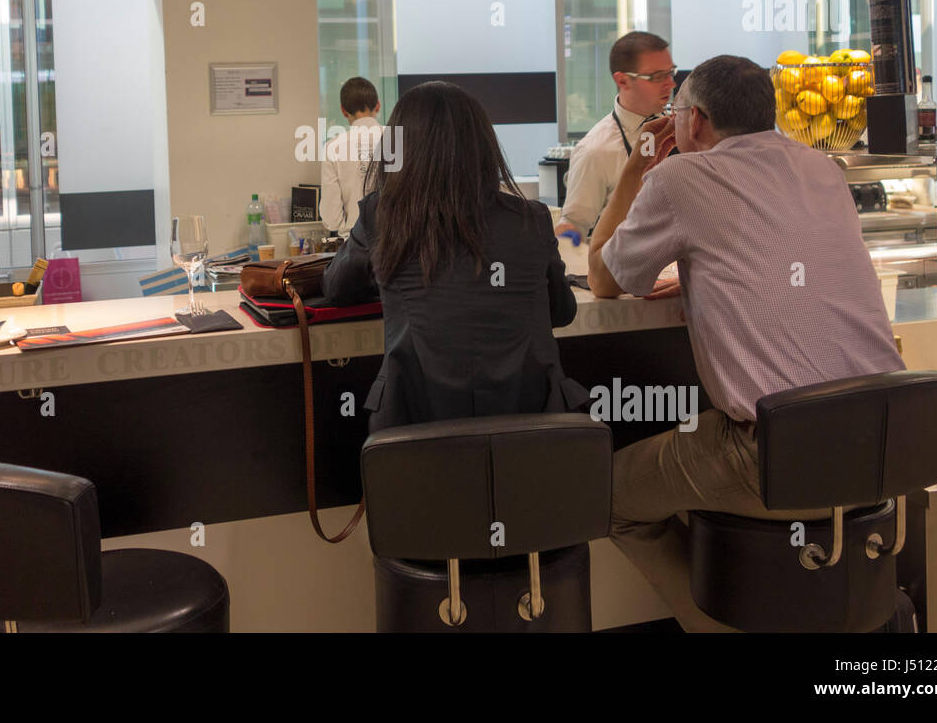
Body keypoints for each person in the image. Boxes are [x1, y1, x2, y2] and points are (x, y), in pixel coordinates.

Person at [586, 55, 904, 632]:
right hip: (888, 437)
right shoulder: (822, 168)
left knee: (603, 496)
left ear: (697, 121)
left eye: (676, 111)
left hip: (774, 452)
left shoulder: (680, 177)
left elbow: (605, 280)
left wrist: (640, 166)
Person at [323, 80, 587, 431]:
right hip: (532, 435)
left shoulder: (381, 215)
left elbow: (337, 288)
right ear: (482, 146)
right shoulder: (532, 218)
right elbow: (562, 311)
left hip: (415, 435)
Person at [555, 32, 676, 242]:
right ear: (622, 80)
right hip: (627, 270)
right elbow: (573, 229)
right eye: (657, 77)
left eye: (670, 73)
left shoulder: (681, 131)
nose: (671, 84)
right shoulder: (595, 151)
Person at [319, 77, 384, 238]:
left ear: (343, 110)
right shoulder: (399, 140)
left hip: (356, 241)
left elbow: (331, 216)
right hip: (398, 242)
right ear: (377, 105)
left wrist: (347, 233)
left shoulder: (333, 147)